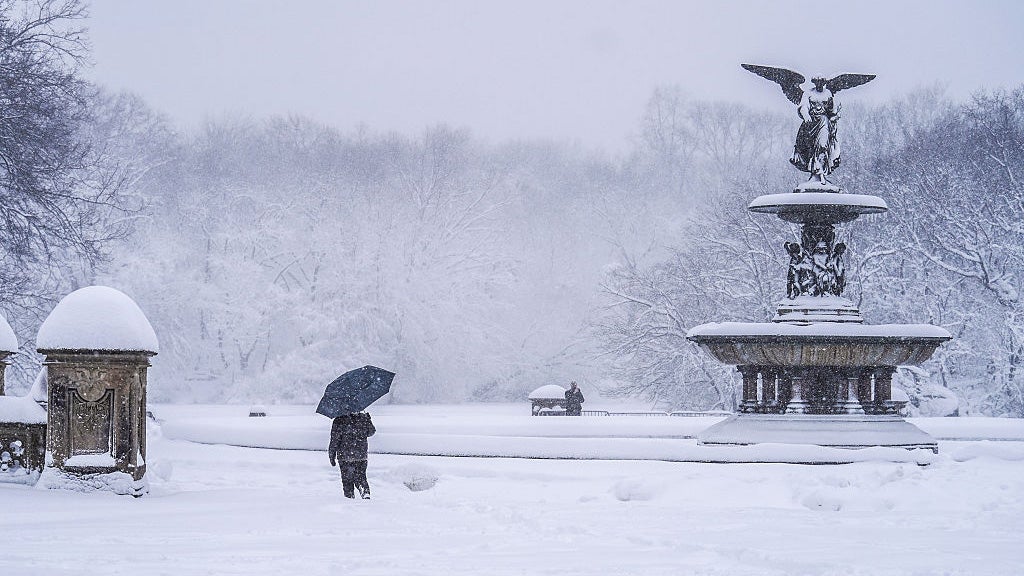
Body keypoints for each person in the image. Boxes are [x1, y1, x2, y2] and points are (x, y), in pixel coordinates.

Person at [328, 412, 376, 499]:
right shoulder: (363, 418)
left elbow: (334, 440)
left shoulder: (339, 420)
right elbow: (371, 432)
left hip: (345, 456)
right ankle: (365, 491)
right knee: (361, 476)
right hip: (361, 455)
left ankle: (349, 498)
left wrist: (332, 455)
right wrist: (368, 419)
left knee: (347, 480)